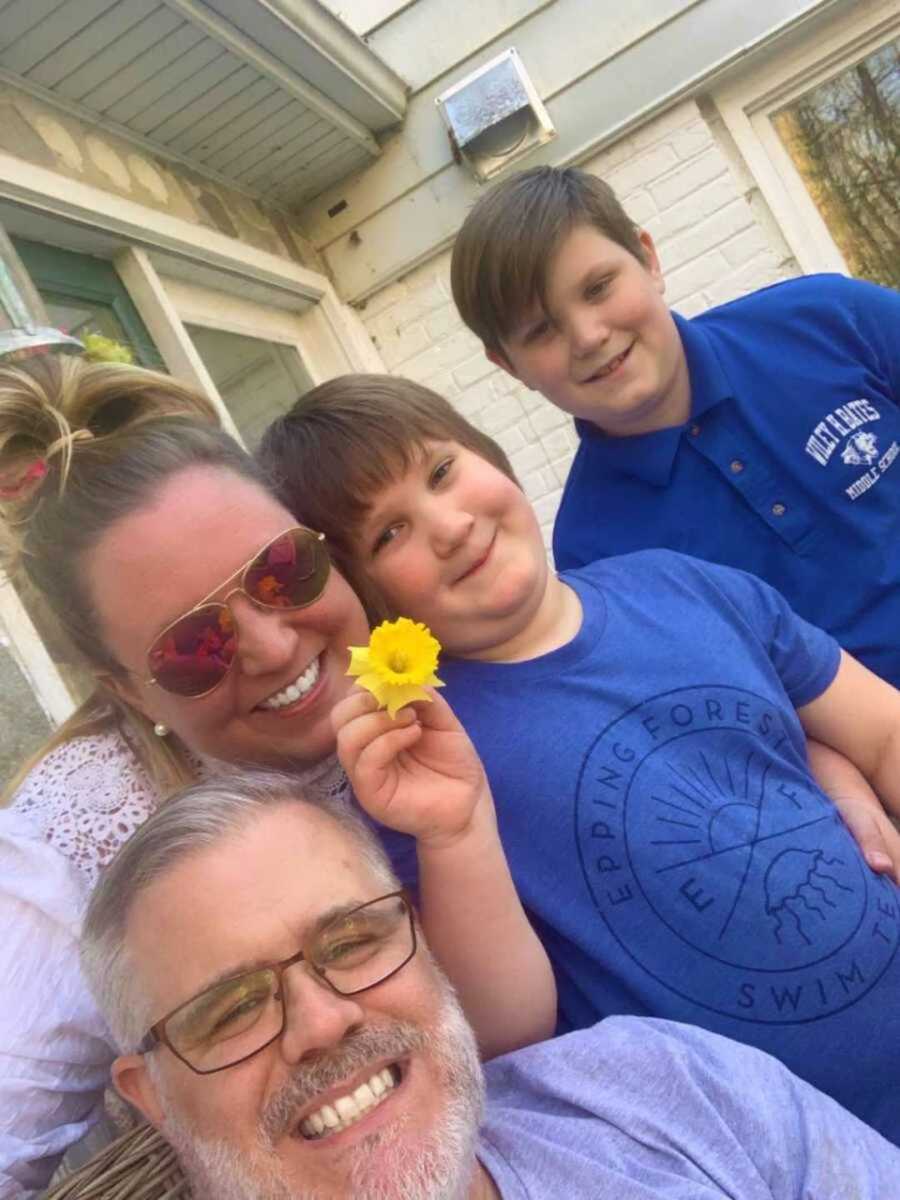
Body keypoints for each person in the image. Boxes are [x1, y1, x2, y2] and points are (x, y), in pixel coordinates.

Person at [258, 374, 900, 1143]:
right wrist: (452, 833)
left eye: (440, 472)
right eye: (388, 533)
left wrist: (845, 773)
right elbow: (507, 1034)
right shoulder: (422, 755)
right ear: (368, 592)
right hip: (788, 1157)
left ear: (488, 452)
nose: (450, 526)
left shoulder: (683, 585)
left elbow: (884, 735)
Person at [0, 355, 548, 1199]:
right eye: (192, 647)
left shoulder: (423, 647)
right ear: (123, 690)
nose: (274, 645)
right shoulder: (82, 832)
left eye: (282, 573)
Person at [79, 769, 900, 1200]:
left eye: (351, 939)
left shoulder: (665, 1085)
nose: (323, 1023)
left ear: (419, 937)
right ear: (151, 1097)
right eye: (231, 1008)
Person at [449, 165, 900, 692]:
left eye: (597, 288)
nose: (589, 336)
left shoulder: (829, 319)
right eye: (542, 329)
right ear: (508, 365)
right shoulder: (594, 552)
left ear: (648, 258)